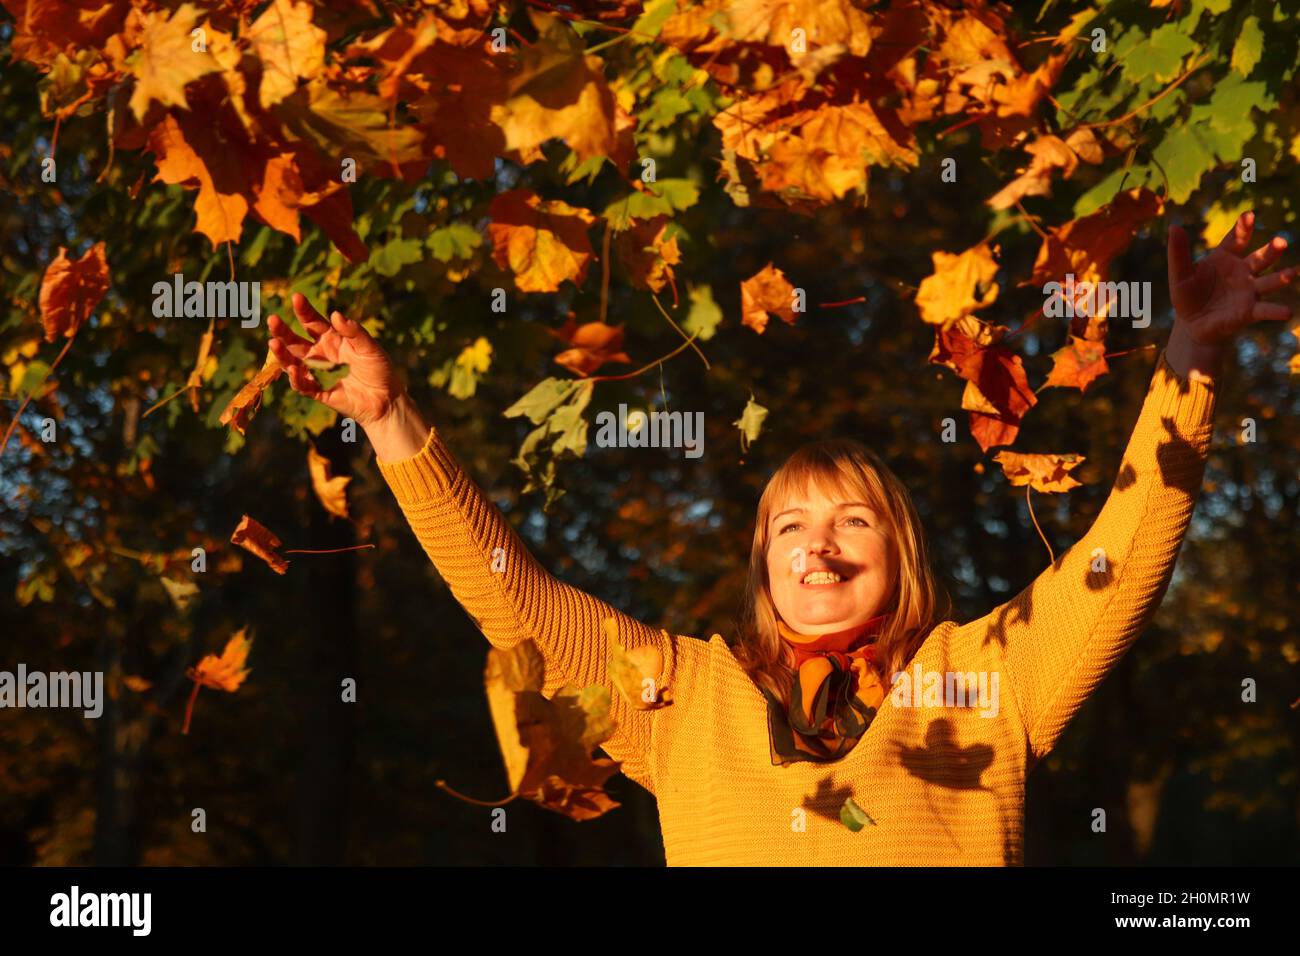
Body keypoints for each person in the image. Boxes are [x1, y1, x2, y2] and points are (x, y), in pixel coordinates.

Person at [269, 213, 1294, 865]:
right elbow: (511, 595)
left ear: (900, 553)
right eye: (791, 525)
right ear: (762, 561)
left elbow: (1118, 558)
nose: (819, 545)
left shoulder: (984, 675)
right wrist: (391, 416)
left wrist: (1187, 359)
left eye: (854, 520)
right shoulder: (683, 695)